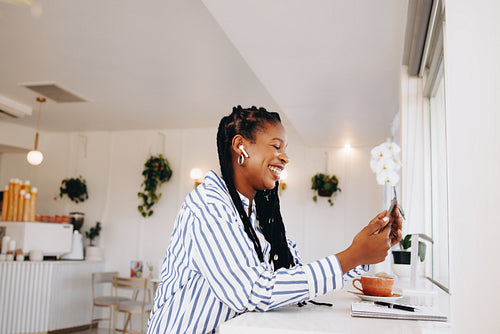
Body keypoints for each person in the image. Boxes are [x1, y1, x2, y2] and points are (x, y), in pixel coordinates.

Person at [147, 106, 402, 333]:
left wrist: (364, 253)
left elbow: (291, 284)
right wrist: (352, 256)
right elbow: (253, 292)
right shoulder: (208, 205)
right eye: (276, 146)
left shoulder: (258, 217)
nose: (285, 157)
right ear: (240, 146)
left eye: (285, 150)